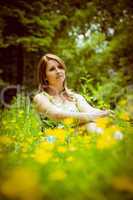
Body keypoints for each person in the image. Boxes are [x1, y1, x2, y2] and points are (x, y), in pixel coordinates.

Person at [33, 53, 111, 134]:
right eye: (52, 69)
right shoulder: (40, 98)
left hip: (79, 137)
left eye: (60, 67)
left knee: (91, 124)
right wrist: (96, 116)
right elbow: (57, 115)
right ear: (45, 76)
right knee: (90, 124)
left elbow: (90, 110)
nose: (58, 71)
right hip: (55, 141)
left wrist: (106, 113)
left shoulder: (75, 97)